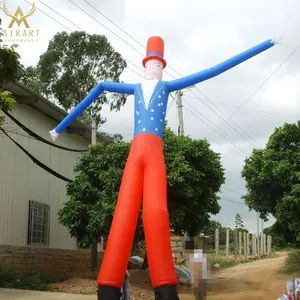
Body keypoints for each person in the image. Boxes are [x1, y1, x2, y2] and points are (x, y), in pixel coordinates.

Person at [50, 36, 278, 300]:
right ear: (145, 65)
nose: (153, 68)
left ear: (162, 67)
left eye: (157, 64)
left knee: (156, 213)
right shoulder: (135, 88)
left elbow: (213, 70)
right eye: (150, 64)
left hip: (154, 152)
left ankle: (165, 288)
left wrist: (265, 45)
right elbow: (100, 86)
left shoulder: (167, 86)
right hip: (136, 152)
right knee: (124, 211)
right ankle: (109, 286)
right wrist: (59, 127)